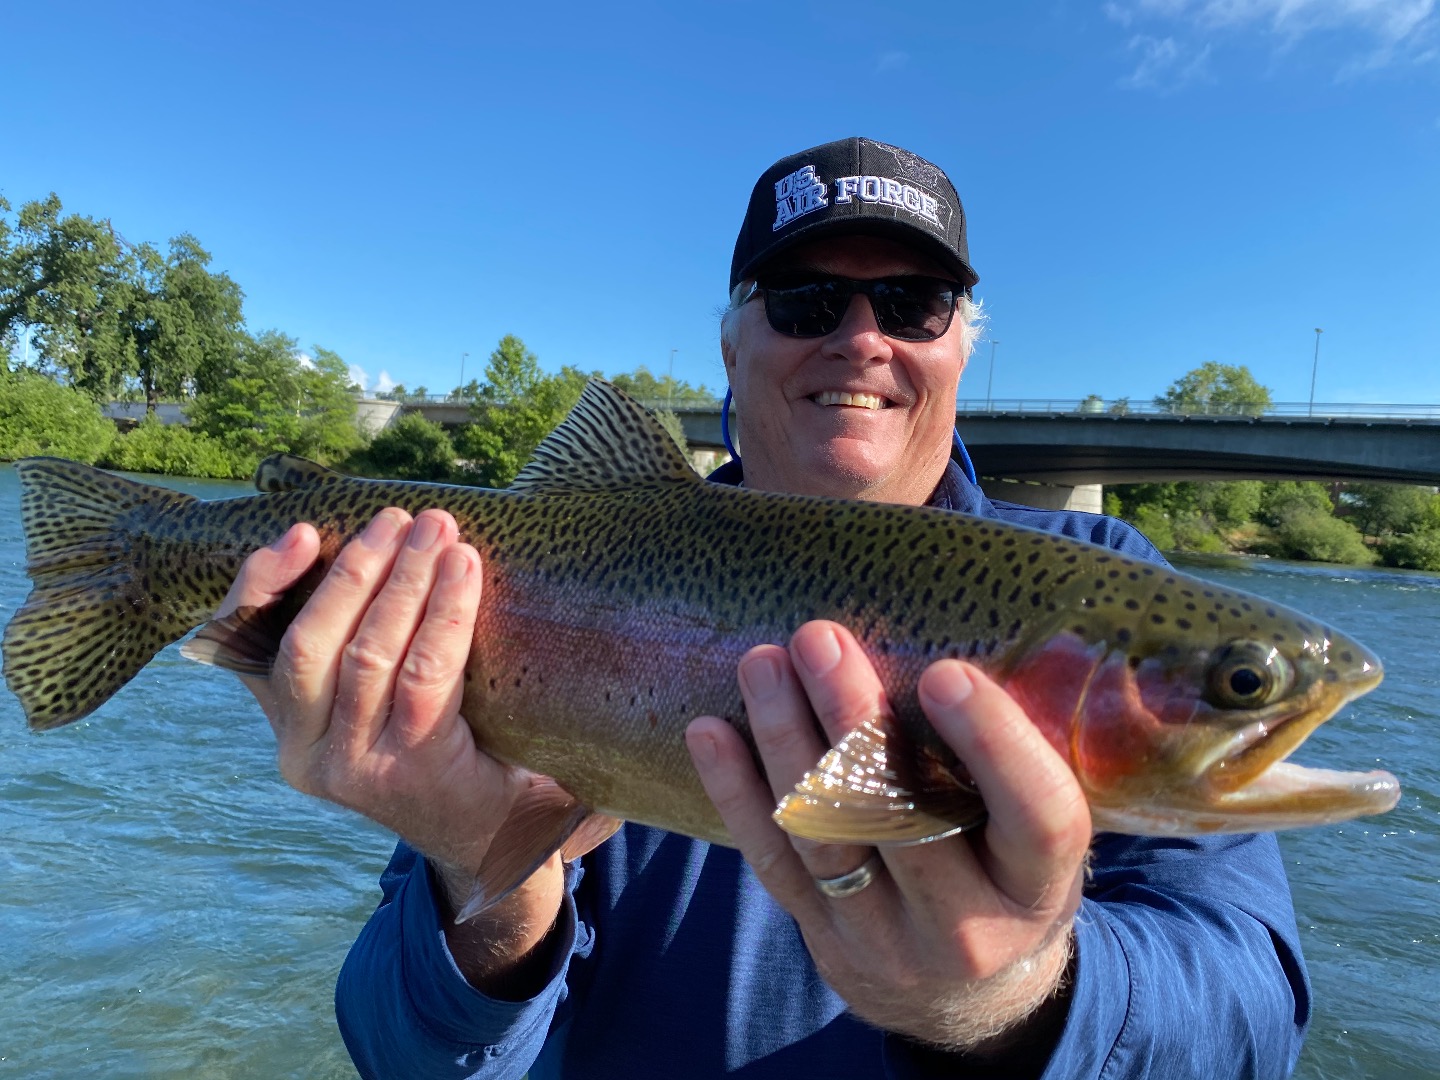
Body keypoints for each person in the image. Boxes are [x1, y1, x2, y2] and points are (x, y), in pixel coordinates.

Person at [220, 137, 1310, 1079]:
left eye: (914, 302)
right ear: (729, 345)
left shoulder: (1101, 578)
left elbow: (1252, 1027)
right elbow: (405, 1056)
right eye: (803, 300)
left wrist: (1009, 997)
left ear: (963, 345)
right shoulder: (520, 582)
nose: (861, 336)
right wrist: (482, 867)